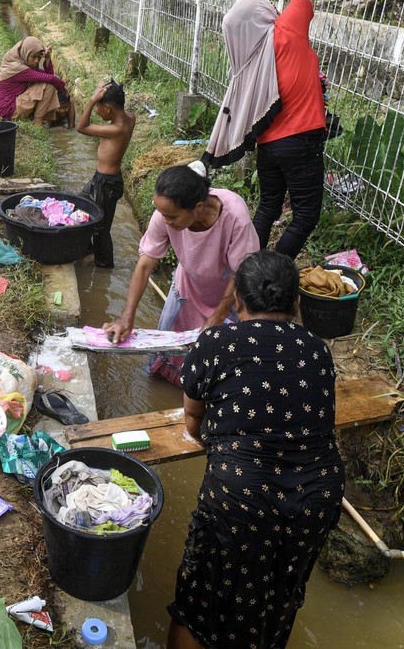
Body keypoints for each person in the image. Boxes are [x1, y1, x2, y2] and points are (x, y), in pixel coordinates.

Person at [168, 250, 344, 649]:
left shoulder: (215, 340)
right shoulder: (318, 349)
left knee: (201, 599)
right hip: (317, 494)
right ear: (297, 303)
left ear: (239, 303)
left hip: (239, 491)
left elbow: (192, 422)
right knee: (276, 597)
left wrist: (225, 451)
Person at [103, 164, 259, 383]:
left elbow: (240, 272)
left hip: (228, 293)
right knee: (169, 350)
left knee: (220, 361)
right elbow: (145, 265)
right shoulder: (164, 215)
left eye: (172, 217)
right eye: (162, 214)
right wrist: (127, 317)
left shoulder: (234, 215)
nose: (165, 221)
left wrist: (218, 315)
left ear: (197, 208)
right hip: (188, 286)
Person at [252, 0, 328, 258]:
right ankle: (272, 275)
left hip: (267, 144)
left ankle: (247, 268)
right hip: (299, 141)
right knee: (306, 215)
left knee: (268, 208)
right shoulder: (287, 29)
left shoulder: (251, 53)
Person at [77, 80, 136, 268]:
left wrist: (92, 100)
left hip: (106, 183)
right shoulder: (130, 118)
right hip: (102, 180)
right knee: (80, 208)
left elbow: (81, 127)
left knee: (101, 228)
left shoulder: (115, 129)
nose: (96, 111)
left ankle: (103, 264)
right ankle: (89, 252)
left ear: (109, 109)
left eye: (98, 107)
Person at [0, 37, 66, 125]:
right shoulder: (18, 68)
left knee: (46, 83)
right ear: (26, 53)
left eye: (39, 57)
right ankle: (38, 121)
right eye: (33, 57)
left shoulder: (19, 60)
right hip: (10, 112)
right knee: (49, 86)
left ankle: (41, 118)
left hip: (12, 107)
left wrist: (47, 58)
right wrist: (62, 89)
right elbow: (51, 78)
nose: (36, 61)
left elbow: (48, 75)